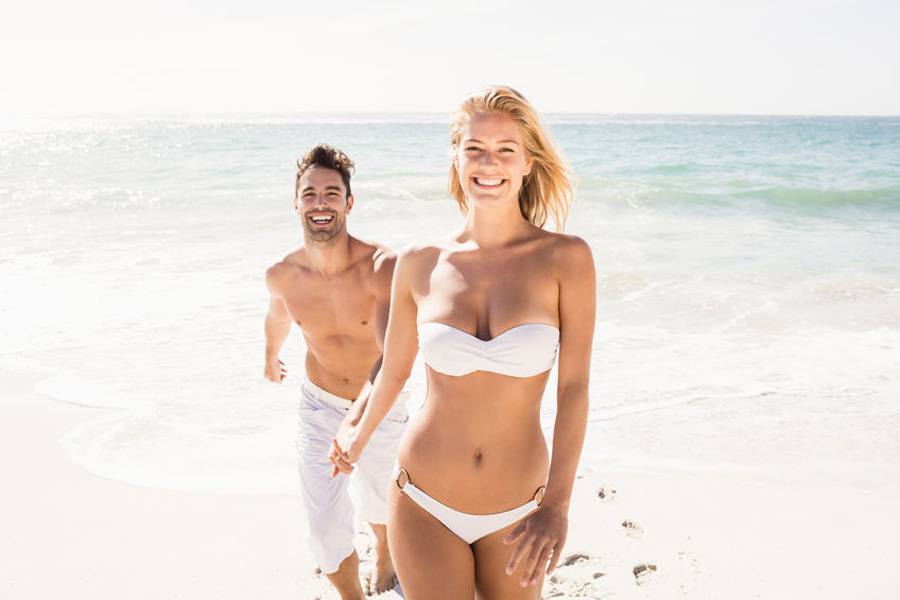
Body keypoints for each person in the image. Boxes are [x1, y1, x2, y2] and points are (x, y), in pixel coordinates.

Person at [330, 86, 596, 599]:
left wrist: (558, 504)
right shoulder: (420, 262)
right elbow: (395, 371)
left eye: (505, 150)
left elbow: (575, 389)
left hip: (520, 507)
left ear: (527, 164)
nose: (487, 163)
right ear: (456, 158)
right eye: (473, 148)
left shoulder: (567, 259)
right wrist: (356, 440)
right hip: (422, 498)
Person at [264, 144, 409, 599]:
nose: (320, 203)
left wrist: (356, 422)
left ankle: (385, 553)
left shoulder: (383, 268)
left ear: (349, 202)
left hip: (381, 404)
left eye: (331, 193)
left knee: (382, 499)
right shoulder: (282, 274)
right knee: (324, 524)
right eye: (309, 194)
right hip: (318, 405)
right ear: (296, 202)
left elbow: (393, 356)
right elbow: (278, 316)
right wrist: (270, 354)